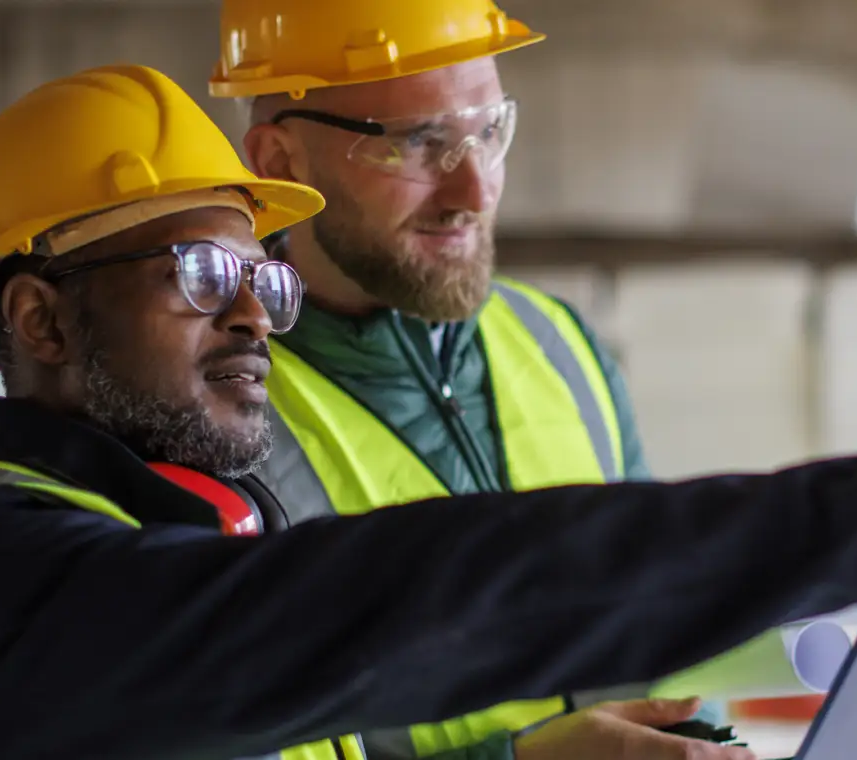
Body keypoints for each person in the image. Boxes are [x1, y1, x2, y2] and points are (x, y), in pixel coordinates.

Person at [0, 64, 857, 760]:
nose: (252, 314)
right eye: (199, 275)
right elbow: (404, 603)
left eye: (260, 276)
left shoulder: (191, 538)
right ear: (41, 322)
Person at [206, 2, 719, 755]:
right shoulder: (209, 417)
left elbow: (658, 619)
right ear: (280, 161)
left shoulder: (557, 341)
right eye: (420, 143)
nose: (475, 192)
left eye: (489, 130)